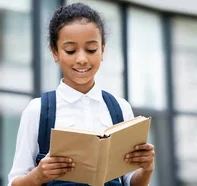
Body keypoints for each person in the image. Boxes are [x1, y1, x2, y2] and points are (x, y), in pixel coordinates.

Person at [8, 3, 155, 186]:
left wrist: (147, 168)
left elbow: (130, 182)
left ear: (102, 49)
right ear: (55, 52)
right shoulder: (38, 110)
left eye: (91, 49)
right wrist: (39, 175)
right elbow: (15, 182)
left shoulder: (120, 109)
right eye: (70, 50)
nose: (82, 59)